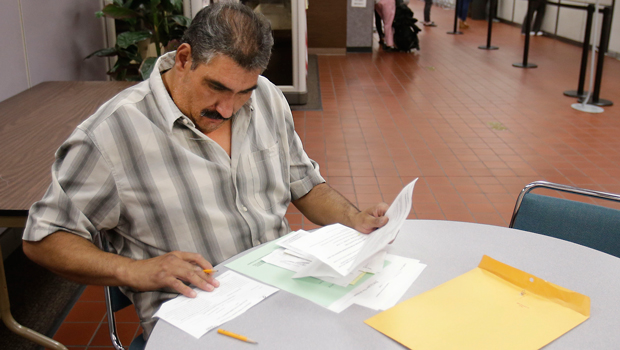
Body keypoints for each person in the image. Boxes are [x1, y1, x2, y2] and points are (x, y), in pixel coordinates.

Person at [22, 2, 389, 341]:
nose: (228, 109)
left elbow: (305, 184)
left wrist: (352, 217)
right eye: (217, 87)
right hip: (200, 323)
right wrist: (134, 272)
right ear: (184, 58)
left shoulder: (268, 98)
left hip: (284, 294)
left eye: (243, 91)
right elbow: (44, 237)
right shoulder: (111, 135)